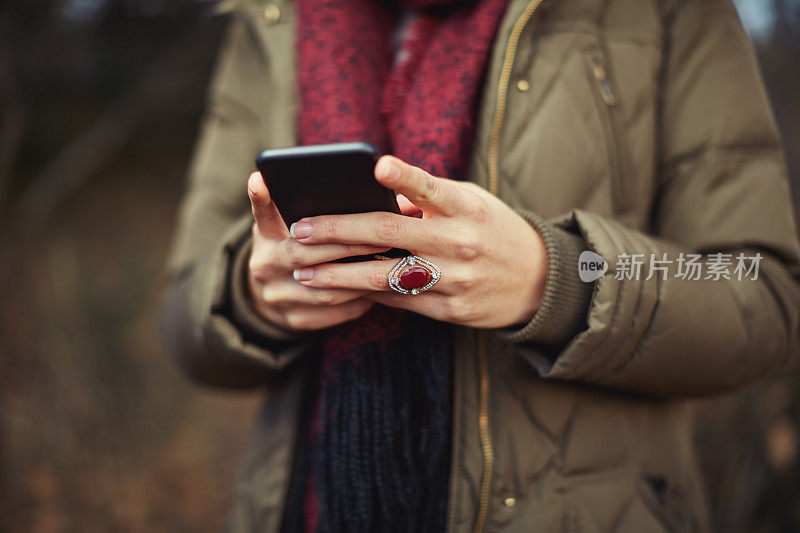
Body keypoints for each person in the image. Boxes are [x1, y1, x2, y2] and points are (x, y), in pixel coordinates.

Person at [159, 0, 800, 530]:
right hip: (307, 508)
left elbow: (762, 293)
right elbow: (181, 316)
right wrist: (249, 294)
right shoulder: (269, 19)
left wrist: (559, 279)